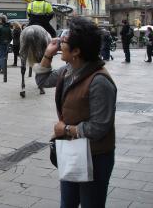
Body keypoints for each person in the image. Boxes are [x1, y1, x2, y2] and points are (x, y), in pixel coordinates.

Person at [35, 17, 116, 208]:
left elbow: (99, 127)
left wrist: (67, 130)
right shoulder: (69, 70)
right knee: (67, 203)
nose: (60, 43)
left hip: (95, 157)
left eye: (64, 41)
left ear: (77, 51)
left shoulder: (99, 81)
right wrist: (47, 55)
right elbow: (42, 81)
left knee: (91, 204)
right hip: (72, 151)